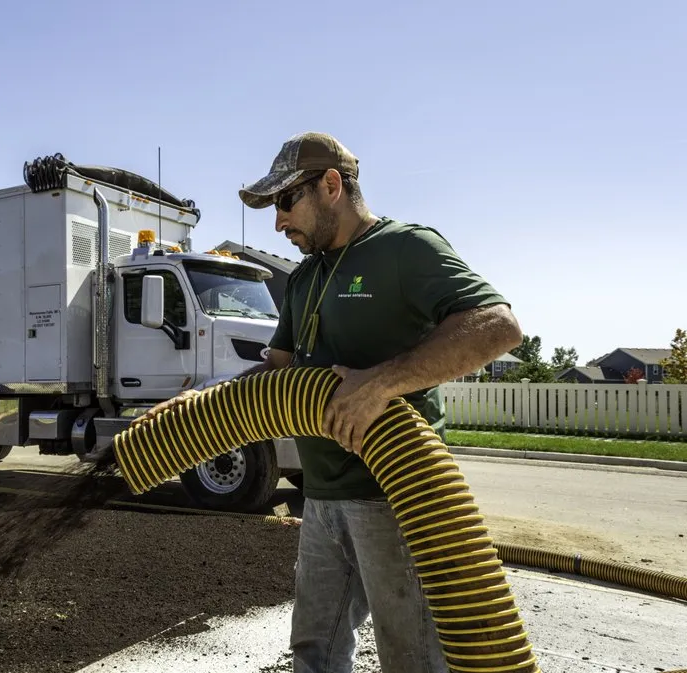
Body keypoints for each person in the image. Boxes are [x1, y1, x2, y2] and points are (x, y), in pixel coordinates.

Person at [137, 131, 522, 672]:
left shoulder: (405, 249)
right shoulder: (305, 278)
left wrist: (381, 382)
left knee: (410, 658)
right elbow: (278, 376)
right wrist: (200, 403)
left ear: (332, 185)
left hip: (395, 496)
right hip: (321, 497)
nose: (278, 222)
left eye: (286, 202)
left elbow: (497, 327)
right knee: (313, 651)